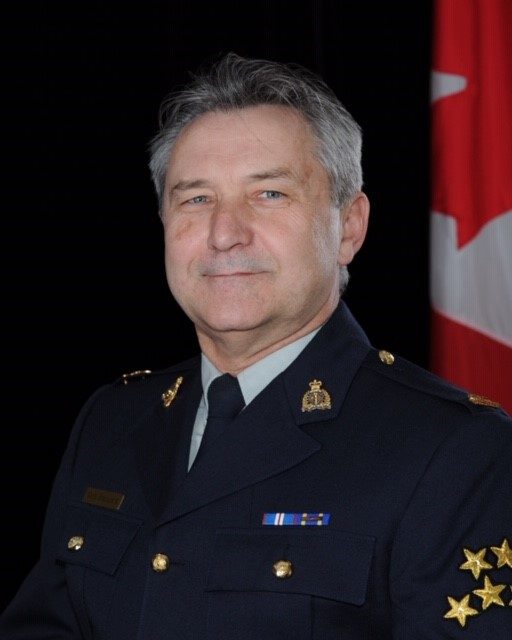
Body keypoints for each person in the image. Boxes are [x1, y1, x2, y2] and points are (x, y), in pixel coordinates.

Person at [1, 53, 510, 639]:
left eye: (268, 193)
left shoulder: (455, 450)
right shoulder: (113, 420)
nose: (224, 233)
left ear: (348, 227)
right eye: (196, 199)